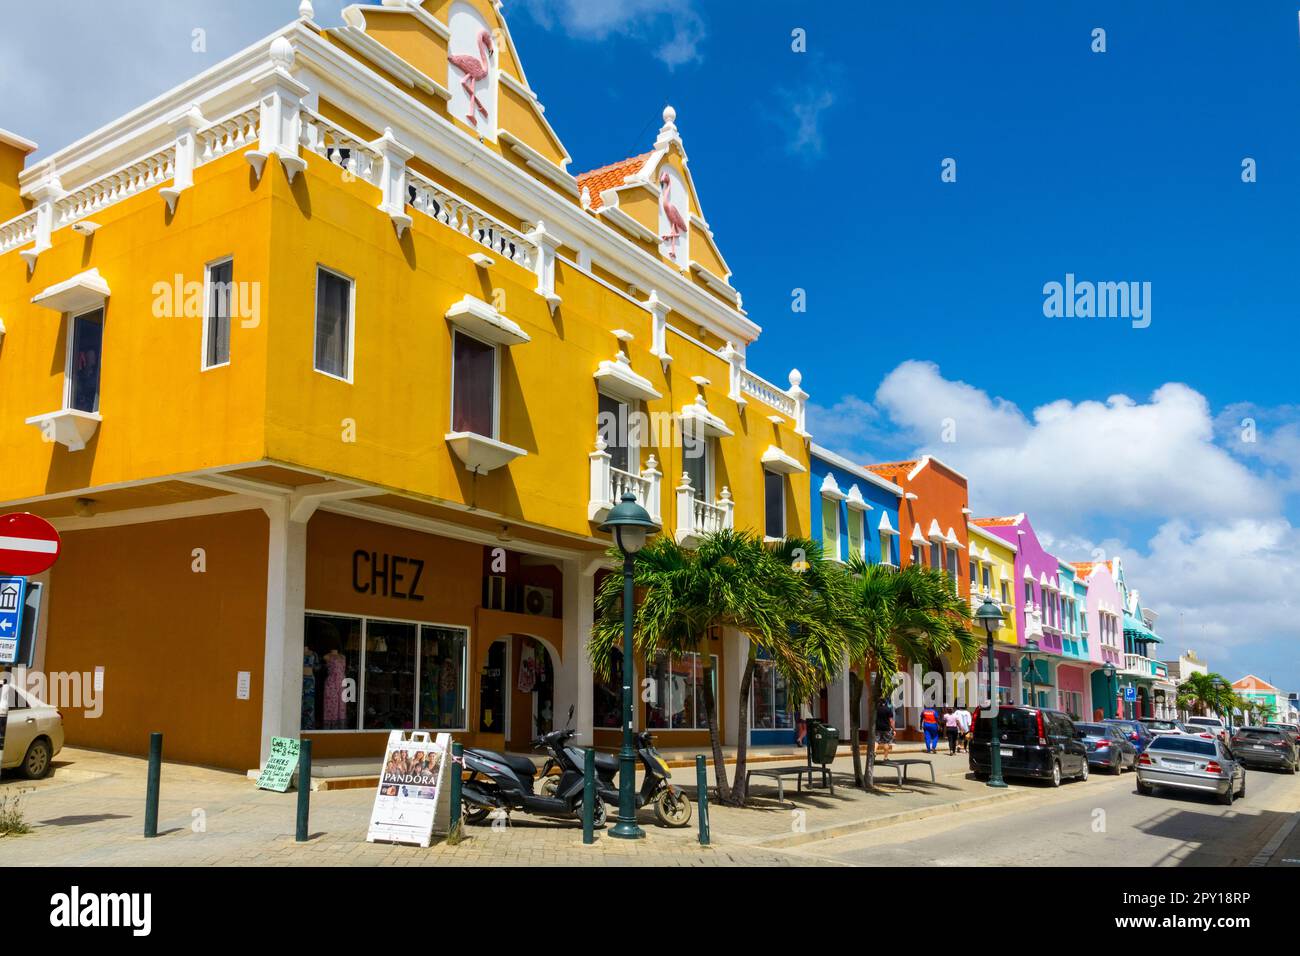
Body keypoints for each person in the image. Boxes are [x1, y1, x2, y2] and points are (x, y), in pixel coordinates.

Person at [875, 697, 895, 762]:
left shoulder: (876, 709)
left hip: (877, 728)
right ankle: (885, 758)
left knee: (876, 741)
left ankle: (874, 752)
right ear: (885, 703)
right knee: (886, 742)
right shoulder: (888, 709)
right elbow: (891, 720)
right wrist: (893, 729)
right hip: (886, 728)